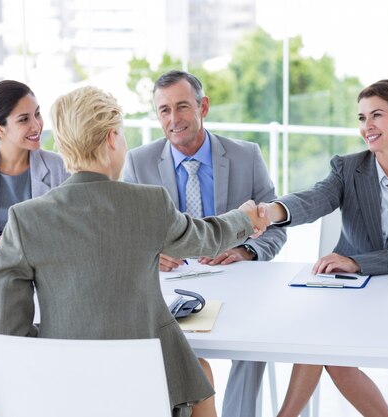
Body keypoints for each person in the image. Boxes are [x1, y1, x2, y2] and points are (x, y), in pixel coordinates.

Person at [0, 86, 269, 417]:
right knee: (199, 377)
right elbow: (207, 237)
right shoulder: (149, 203)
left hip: (64, 392)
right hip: (144, 389)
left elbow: (8, 332)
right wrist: (245, 219)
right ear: (112, 138)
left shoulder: (24, 218)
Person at [261, 79, 388, 417]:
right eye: (362, 118)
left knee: (325, 346)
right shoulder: (347, 168)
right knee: (320, 341)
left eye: (376, 115)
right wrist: (271, 212)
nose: (367, 127)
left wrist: (355, 261)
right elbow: (316, 198)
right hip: (348, 297)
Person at [122, 70, 286, 417]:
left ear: (203, 107)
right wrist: (149, 253)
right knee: (165, 348)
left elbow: (275, 227)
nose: (173, 119)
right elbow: (123, 233)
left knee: (251, 345)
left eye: (182, 107)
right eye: (164, 110)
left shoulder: (246, 156)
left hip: (237, 286)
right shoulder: (138, 162)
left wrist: (247, 250)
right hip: (170, 293)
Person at [0, 80, 69, 252]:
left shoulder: (59, 167)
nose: (37, 125)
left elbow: (71, 229)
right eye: (24, 119)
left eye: (37, 114)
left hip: (42, 272)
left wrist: (26, 240)